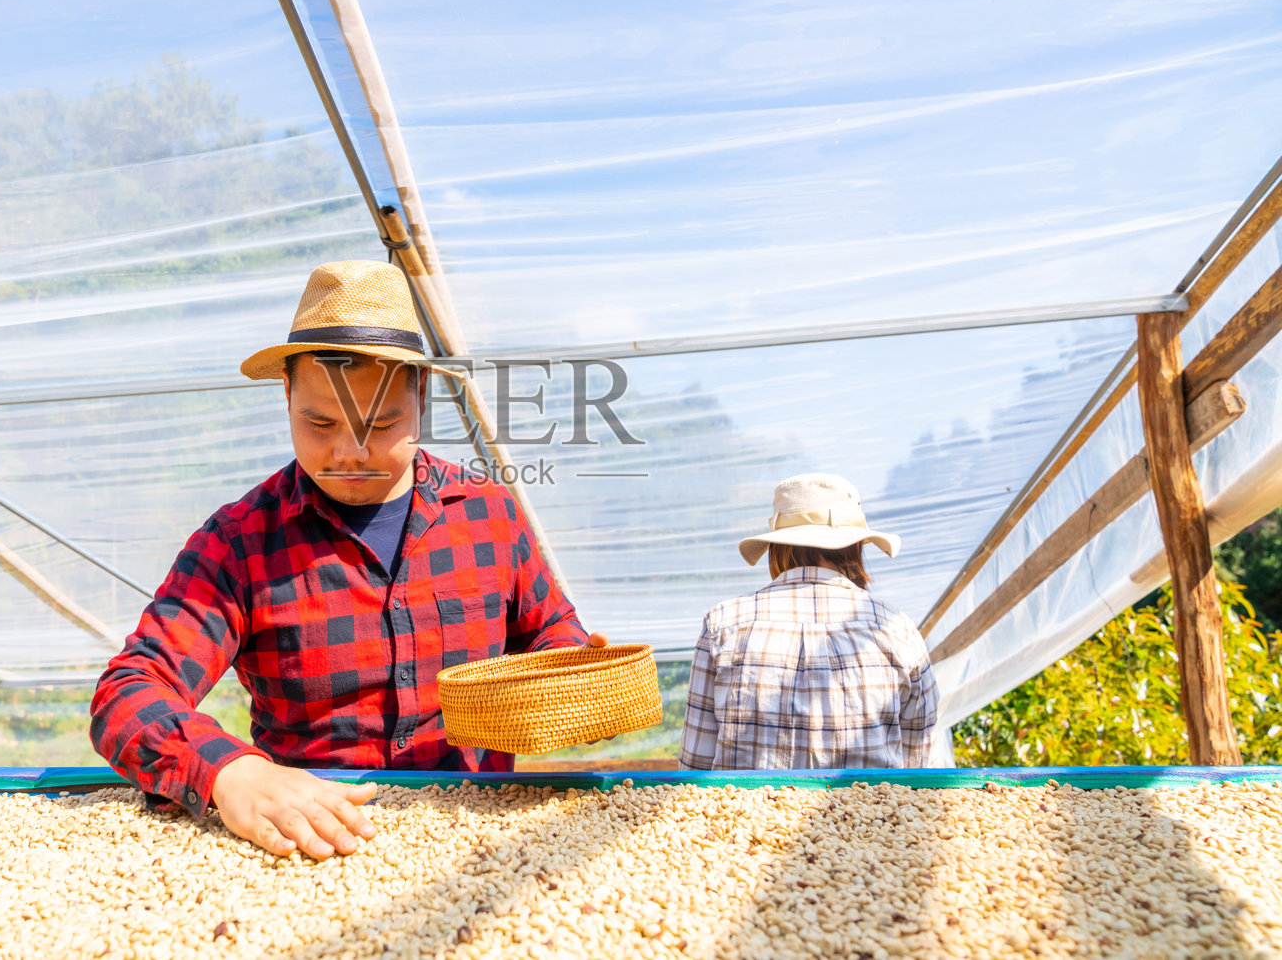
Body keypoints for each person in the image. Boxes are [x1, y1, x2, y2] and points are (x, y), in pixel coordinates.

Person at [91, 259, 604, 860]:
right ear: (286, 394)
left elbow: (551, 632)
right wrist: (231, 773)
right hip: (314, 842)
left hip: (481, 841)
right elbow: (128, 690)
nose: (349, 451)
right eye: (319, 422)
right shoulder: (241, 541)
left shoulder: (490, 515)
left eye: (382, 423)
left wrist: (569, 676)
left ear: (422, 397)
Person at [678, 473, 938, 770]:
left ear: (777, 548)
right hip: (869, 816)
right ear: (855, 547)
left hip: (745, 816)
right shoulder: (897, 629)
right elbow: (922, 775)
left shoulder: (723, 625)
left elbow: (694, 774)